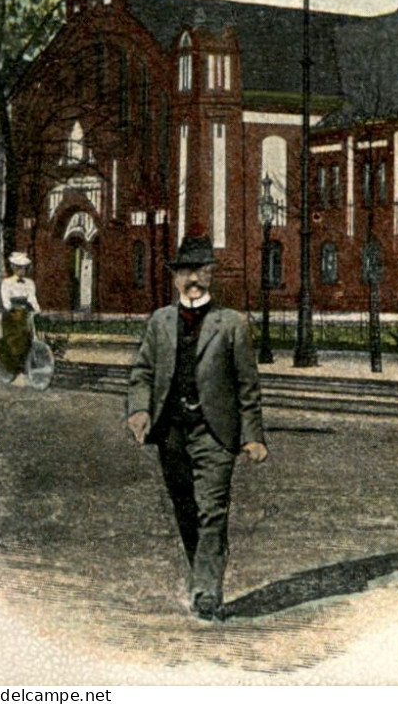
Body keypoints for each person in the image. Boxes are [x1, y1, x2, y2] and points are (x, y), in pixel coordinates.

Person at [123, 233, 267, 621]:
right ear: (175, 277)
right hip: (171, 431)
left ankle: (206, 589)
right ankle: (204, 568)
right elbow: (142, 373)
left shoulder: (232, 324)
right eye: (186, 271)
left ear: (211, 276)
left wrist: (252, 435)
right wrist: (139, 411)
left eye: (202, 271)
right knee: (185, 509)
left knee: (211, 511)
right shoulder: (159, 322)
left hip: (215, 432)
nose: (194, 280)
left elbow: (247, 386)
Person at [0, 252, 41, 384]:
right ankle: (12, 368)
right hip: (12, 315)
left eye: (24, 268)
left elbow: (32, 298)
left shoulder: (29, 283)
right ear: (13, 268)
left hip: (25, 312)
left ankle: (27, 366)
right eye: (19, 267)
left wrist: (37, 309)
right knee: (15, 339)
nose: (22, 271)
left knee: (28, 337)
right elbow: (5, 300)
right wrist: (12, 309)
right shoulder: (7, 282)